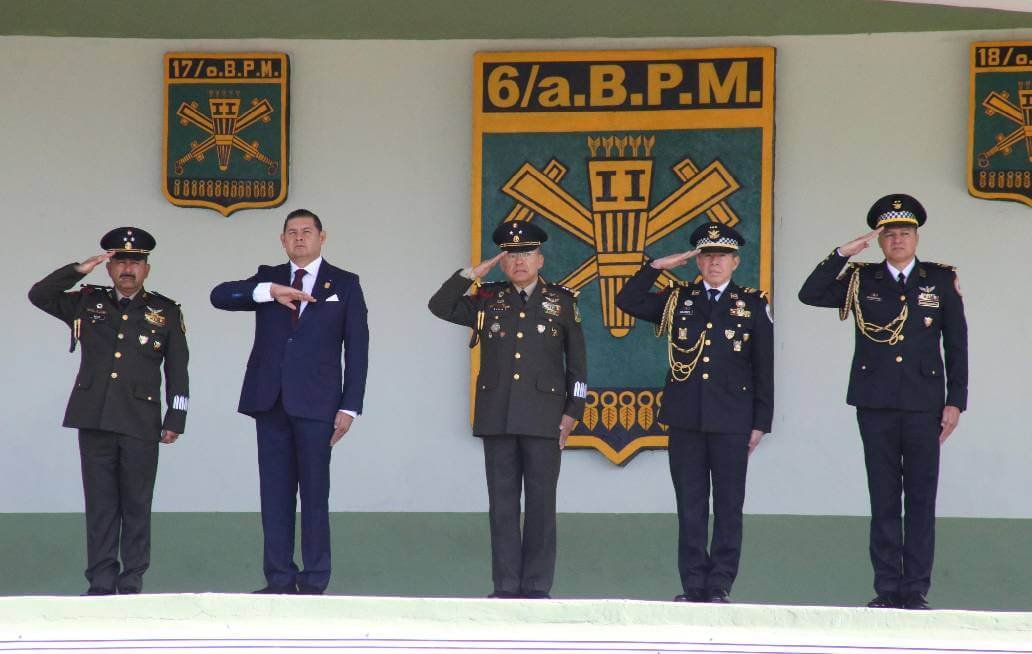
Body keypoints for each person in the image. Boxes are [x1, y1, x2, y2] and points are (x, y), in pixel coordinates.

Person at [798, 193, 967, 610]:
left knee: (922, 497)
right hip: (875, 403)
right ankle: (888, 588)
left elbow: (957, 345)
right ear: (878, 240)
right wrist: (841, 253)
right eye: (889, 234)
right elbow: (809, 293)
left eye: (904, 233)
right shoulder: (861, 280)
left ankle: (916, 589)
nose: (897, 240)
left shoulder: (940, 281)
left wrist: (956, 402)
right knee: (884, 495)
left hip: (925, 403)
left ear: (916, 237)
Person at [210, 208, 369, 595]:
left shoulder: (344, 283)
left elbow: (358, 347)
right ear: (282, 240)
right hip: (271, 402)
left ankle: (315, 580)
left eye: (307, 231)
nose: (299, 238)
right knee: (275, 496)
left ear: (322, 237)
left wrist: (350, 406)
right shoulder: (269, 278)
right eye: (292, 232)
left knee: (315, 494)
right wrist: (267, 291)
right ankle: (279, 579)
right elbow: (219, 296)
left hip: (318, 405)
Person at [428, 220, 587, 599]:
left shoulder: (562, 301)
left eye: (527, 254)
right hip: (498, 415)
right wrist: (470, 275)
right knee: (501, 505)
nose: (519, 261)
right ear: (502, 262)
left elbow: (578, 364)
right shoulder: (487, 298)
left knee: (541, 506)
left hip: (545, 416)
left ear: (540, 259)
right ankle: (505, 586)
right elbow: (439, 305)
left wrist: (572, 411)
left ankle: (535, 586)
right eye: (511, 255)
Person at [616, 222, 773, 604]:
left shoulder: (751, 303)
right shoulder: (678, 299)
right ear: (697, 261)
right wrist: (654, 267)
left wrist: (760, 422)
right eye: (706, 255)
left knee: (728, 506)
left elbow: (764, 367)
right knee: (690, 505)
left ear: (735, 262)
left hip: (733, 419)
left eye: (721, 256)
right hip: (686, 417)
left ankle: (719, 584)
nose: (713, 262)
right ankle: (693, 585)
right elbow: (628, 301)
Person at [28, 227, 188, 595]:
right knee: (100, 505)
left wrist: (176, 417)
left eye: (135, 262)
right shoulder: (87, 302)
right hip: (94, 416)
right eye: (120, 262)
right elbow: (39, 295)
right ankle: (100, 582)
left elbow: (178, 371)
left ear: (146, 269)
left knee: (136, 504)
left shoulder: (165, 311)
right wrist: (79, 269)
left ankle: (131, 581)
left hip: (140, 421)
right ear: (109, 267)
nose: (127, 269)